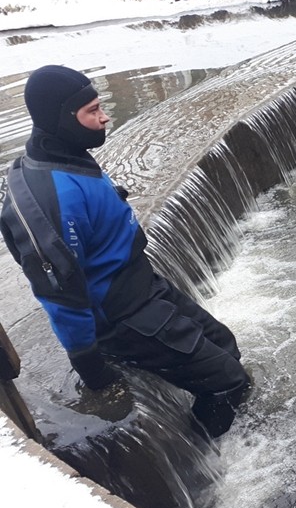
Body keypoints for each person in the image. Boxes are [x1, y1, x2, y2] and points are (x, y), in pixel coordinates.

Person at [0, 65, 251, 438]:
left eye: (100, 106)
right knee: (229, 382)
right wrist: (90, 365)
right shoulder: (53, 199)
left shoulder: (66, 154)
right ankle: (211, 453)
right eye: (92, 112)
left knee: (226, 347)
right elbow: (60, 294)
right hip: (122, 317)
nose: (104, 118)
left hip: (143, 286)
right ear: (60, 119)